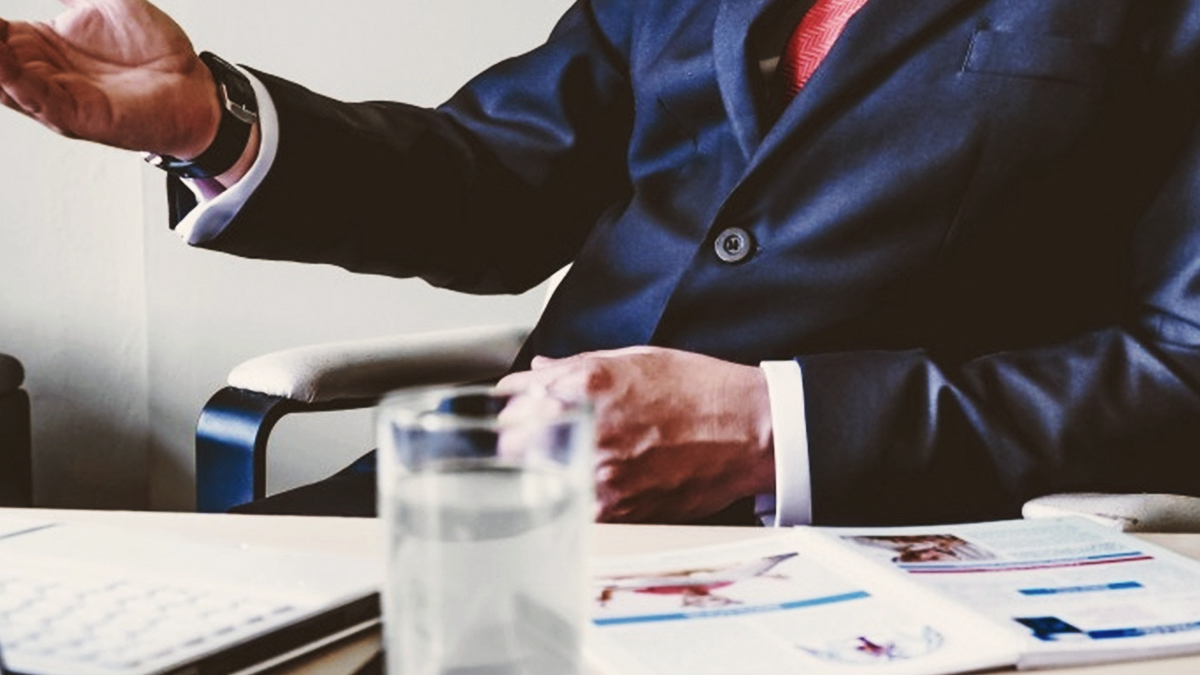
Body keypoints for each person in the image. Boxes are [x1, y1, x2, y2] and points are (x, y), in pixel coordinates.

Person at [2, 0, 1200, 526]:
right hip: (503, 498)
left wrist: (775, 430)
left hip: (878, 552)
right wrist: (214, 121)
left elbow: (1181, 366)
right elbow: (496, 184)